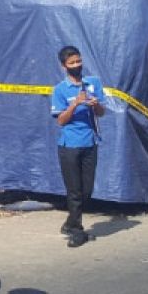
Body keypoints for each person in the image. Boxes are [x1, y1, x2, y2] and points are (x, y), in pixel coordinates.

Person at [50, 45, 106, 248]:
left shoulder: (93, 84)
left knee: (87, 190)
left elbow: (101, 113)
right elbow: (61, 121)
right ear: (64, 66)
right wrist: (75, 104)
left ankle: (70, 222)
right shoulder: (60, 90)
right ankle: (76, 231)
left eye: (78, 61)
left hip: (90, 142)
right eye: (72, 63)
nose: (76, 65)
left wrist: (95, 104)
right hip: (69, 146)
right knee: (74, 191)